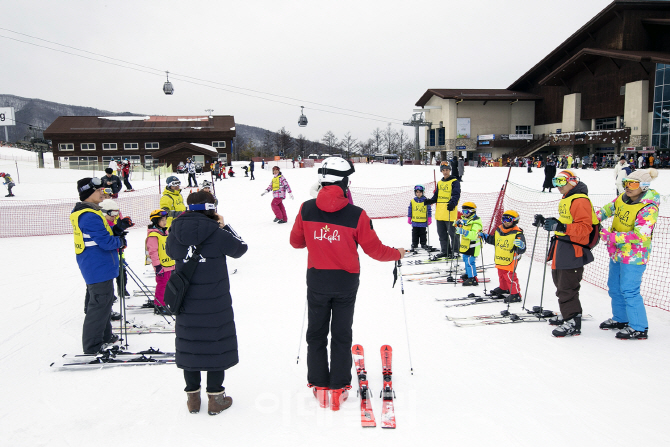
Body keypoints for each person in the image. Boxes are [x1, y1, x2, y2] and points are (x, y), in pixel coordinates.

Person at [289, 157, 404, 411]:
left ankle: (319, 386)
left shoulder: (306, 209)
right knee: (341, 334)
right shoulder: (357, 214)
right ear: (343, 183)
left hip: (317, 280)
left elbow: (296, 242)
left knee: (316, 333)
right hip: (345, 283)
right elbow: (375, 251)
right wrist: (398, 253)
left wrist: (319, 238)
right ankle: (339, 386)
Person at [165, 190, 248, 416]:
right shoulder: (216, 232)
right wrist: (225, 226)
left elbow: (169, 251)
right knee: (215, 345)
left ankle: (193, 399)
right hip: (215, 302)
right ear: (212, 209)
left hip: (186, 301)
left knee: (190, 345)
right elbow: (240, 249)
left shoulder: (175, 229)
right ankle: (215, 399)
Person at [70, 177, 133, 354]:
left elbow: (103, 235)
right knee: (99, 306)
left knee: (104, 303)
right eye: (99, 191)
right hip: (97, 266)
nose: (103, 193)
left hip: (99, 265)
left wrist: (118, 229)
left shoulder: (92, 212)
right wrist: (118, 240)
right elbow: (105, 242)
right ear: (89, 193)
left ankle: (105, 337)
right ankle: (92, 346)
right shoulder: (88, 215)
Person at [596, 168, 659, 340]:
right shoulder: (622, 198)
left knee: (629, 290)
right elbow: (606, 210)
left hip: (635, 255)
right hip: (617, 252)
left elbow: (640, 235)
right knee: (614, 287)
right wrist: (592, 220)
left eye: (632, 184)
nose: (628, 187)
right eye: (625, 183)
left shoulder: (649, 207)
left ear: (644, 186)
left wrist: (610, 237)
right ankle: (621, 319)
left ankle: (639, 327)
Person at [541, 170, 599, 337]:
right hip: (562, 246)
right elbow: (566, 221)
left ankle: (572, 321)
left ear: (572, 182)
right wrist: (549, 223)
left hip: (573, 248)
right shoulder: (567, 197)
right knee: (560, 282)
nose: (558, 186)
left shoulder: (580, 200)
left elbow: (585, 228)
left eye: (561, 181)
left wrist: (562, 227)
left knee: (567, 285)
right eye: (555, 181)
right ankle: (568, 314)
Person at [480, 210, 527, 302]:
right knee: (501, 274)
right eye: (504, 219)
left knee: (509, 276)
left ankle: (515, 294)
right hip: (500, 258)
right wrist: (485, 236)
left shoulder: (518, 234)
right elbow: (495, 240)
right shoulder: (499, 230)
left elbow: (522, 250)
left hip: (510, 259)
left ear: (515, 221)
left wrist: (521, 246)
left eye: (508, 220)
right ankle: (504, 288)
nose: (505, 222)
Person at [424, 164, 460, 259]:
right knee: (442, 234)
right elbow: (436, 196)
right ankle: (445, 250)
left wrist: (453, 203)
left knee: (453, 234)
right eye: (443, 170)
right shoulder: (440, 183)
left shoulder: (454, 182)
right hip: (440, 212)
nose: (445, 172)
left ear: (450, 170)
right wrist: (431, 201)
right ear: (441, 171)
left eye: (447, 170)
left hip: (449, 211)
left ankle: (455, 251)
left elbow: (456, 194)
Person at [146, 209, 175, 311]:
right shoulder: (153, 235)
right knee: (162, 285)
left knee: (169, 285)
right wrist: (157, 265)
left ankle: (166, 301)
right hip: (162, 266)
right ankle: (159, 305)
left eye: (165, 219)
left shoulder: (165, 233)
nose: (165, 222)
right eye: (162, 220)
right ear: (155, 221)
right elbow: (153, 252)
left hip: (170, 264)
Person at [100, 199, 129, 298]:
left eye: (116, 213)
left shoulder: (113, 220)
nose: (114, 216)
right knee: (110, 275)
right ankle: (110, 294)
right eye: (112, 213)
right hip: (108, 254)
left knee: (122, 271)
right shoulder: (102, 223)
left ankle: (122, 289)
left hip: (118, 252)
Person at [454, 202, 483, 286]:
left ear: (472, 212)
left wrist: (464, 232)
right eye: (463, 211)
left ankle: (473, 278)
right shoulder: (465, 221)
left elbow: (475, 235)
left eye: (466, 212)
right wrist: (457, 225)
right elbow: (462, 227)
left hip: (472, 246)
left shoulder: (476, 223)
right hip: (466, 245)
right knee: (466, 260)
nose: (464, 214)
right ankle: (468, 274)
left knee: (470, 262)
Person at [407, 185, 432, 250]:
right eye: (417, 192)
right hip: (415, 221)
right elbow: (410, 209)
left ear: (423, 192)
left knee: (423, 233)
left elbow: (428, 210)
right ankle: (414, 244)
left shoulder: (426, 201)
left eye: (420, 192)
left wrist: (429, 218)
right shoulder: (412, 201)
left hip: (423, 221)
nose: (418, 194)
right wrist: (409, 217)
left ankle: (423, 243)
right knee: (415, 233)